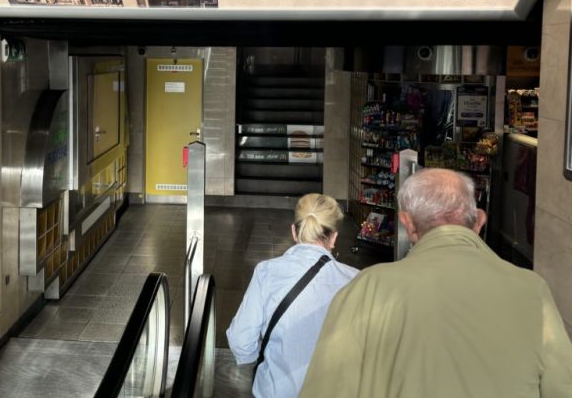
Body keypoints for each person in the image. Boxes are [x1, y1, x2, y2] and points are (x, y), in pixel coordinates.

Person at [300, 168, 572, 398]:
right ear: (479, 221)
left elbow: (326, 388)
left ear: (407, 224)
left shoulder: (367, 288)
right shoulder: (532, 290)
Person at [227, 193, 358, 398]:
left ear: (294, 232)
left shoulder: (267, 272)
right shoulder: (355, 280)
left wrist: (258, 354)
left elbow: (240, 339)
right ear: (333, 237)